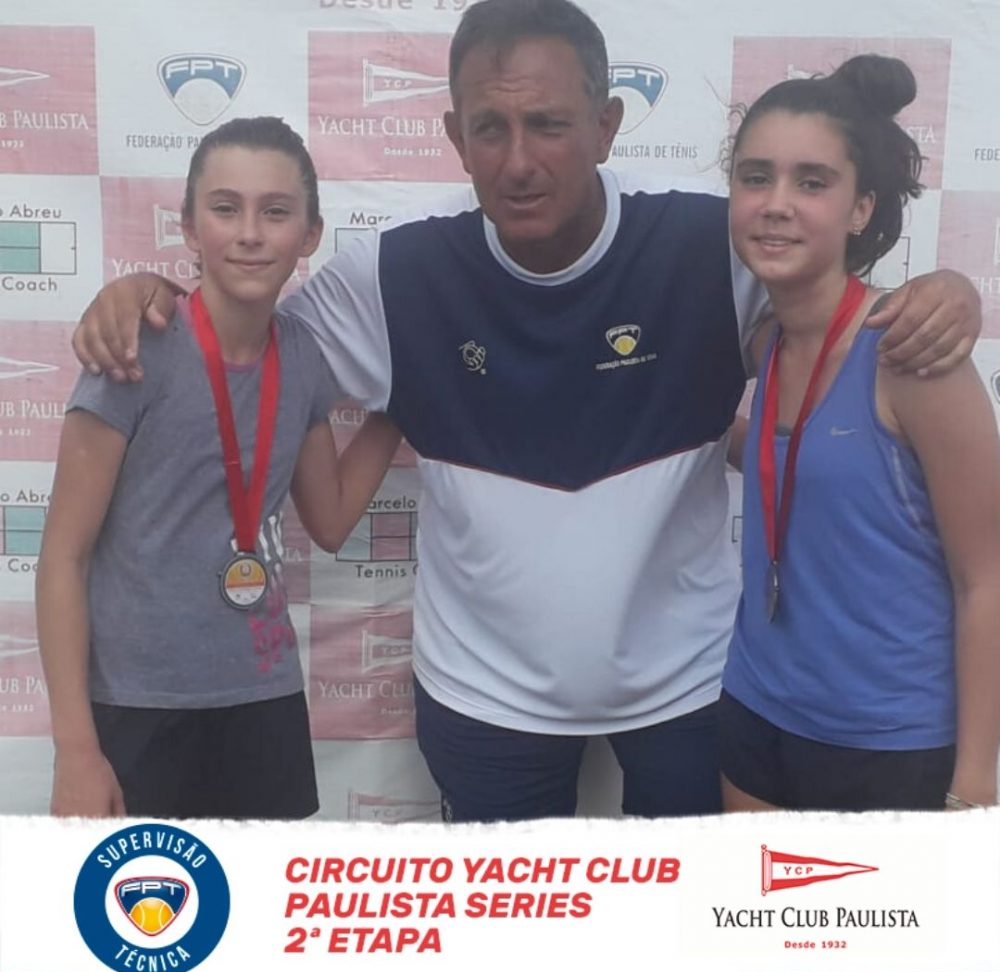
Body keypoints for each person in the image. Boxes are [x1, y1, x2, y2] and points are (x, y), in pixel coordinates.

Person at [70, 0, 982, 822]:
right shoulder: (393, 276)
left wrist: (949, 291)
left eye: (548, 124)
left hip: (695, 689)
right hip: (483, 699)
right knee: (507, 939)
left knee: (694, 933)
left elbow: (829, 308)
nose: (518, 160)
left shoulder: (717, 246)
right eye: (489, 128)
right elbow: (244, 333)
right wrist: (145, 293)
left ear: (606, 125)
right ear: (454, 137)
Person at [37, 117, 401, 820]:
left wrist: (405, 403)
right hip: (137, 706)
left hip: (262, 695)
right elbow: (62, 557)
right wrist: (75, 750)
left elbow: (329, 519)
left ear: (311, 234)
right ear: (189, 227)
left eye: (276, 212)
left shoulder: (302, 356)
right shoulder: (132, 348)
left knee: (257, 892)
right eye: (226, 208)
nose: (250, 234)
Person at [721, 56, 1000, 811]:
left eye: (812, 182)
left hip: (890, 744)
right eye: (756, 177)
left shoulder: (911, 354)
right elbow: (806, 464)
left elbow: (986, 578)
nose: (777, 204)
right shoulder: (765, 344)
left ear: (860, 208)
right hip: (756, 708)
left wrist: (976, 783)